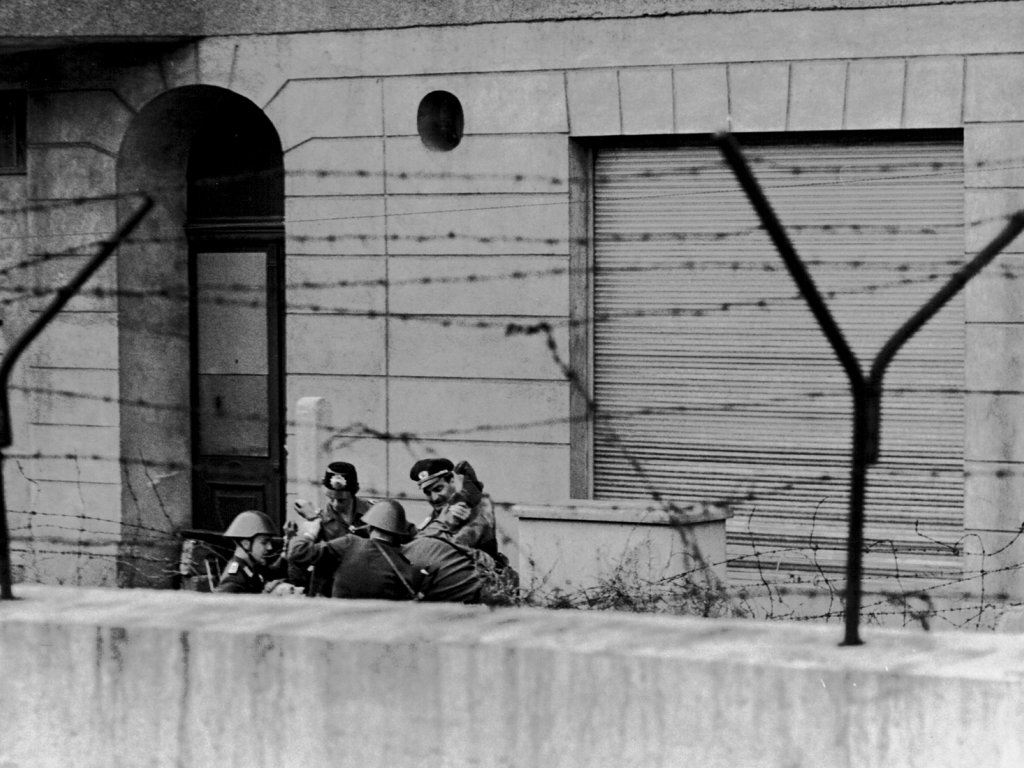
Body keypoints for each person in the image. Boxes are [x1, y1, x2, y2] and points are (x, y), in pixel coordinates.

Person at [287, 499, 426, 600]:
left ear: (369, 527)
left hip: (338, 627)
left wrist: (310, 531)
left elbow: (297, 552)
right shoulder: (404, 567)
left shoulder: (349, 543)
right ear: (398, 535)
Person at [288, 460, 375, 596]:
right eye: (331, 498)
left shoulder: (373, 513)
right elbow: (297, 557)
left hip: (366, 588)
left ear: (355, 492)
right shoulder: (319, 521)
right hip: (332, 591)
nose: (335, 504)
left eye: (341, 500)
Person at [409, 457, 499, 559]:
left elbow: (443, 550)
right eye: (428, 493)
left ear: (451, 481)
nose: (434, 498)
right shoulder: (438, 515)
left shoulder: (475, 508)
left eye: (438, 489)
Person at [214, 510, 290, 594]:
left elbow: (270, 572)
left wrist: (284, 556)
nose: (270, 547)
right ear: (246, 544)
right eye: (264, 542)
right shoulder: (233, 579)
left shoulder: (250, 565)